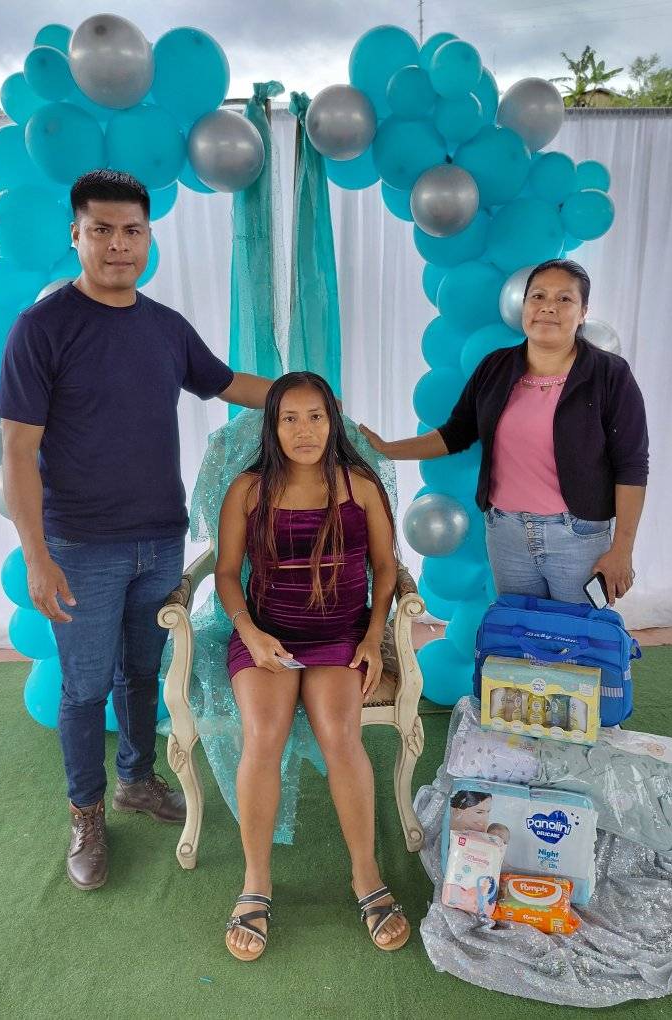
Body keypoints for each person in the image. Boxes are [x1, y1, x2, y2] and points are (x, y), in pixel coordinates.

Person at [0, 170, 274, 892]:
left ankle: (137, 781)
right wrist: (36, 555)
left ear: (148, 237)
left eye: (132, 231)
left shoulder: (165, 327)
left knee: (144, 673)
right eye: (102, 230)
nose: (118, 245)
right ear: (76, 236)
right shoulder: (42, 329)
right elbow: (17, 451)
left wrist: (305, 397)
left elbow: (227, 383)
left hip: (159, 538)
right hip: (79, 545)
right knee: (86, 688)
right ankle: (86, 813)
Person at [215, 371, 410, 960]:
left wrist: (373, 637)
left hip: (341, 635)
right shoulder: (248, 489)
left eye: (316, 417)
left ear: (334, 421)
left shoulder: (360, 485)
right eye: (290, 419)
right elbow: (226, 573)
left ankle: (365, 874)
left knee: (339, 734)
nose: (305, 431)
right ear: (273, 427)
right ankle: (256, 881)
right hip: (267, 635)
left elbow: (386, 568)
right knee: (263, 734)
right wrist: (250, 633)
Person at [361, 259, 649, 608]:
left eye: (564, 299)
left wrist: (622, 550)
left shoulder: (609, 374)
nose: (548, 307)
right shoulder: (496, 366)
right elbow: (456, 433)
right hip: (506, 535)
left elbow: (631, 466)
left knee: (577, 638)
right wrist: (388, 449)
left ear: (583, 312)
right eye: (538, 296)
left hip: (578, 537)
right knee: (517, 638)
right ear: (524, 306)